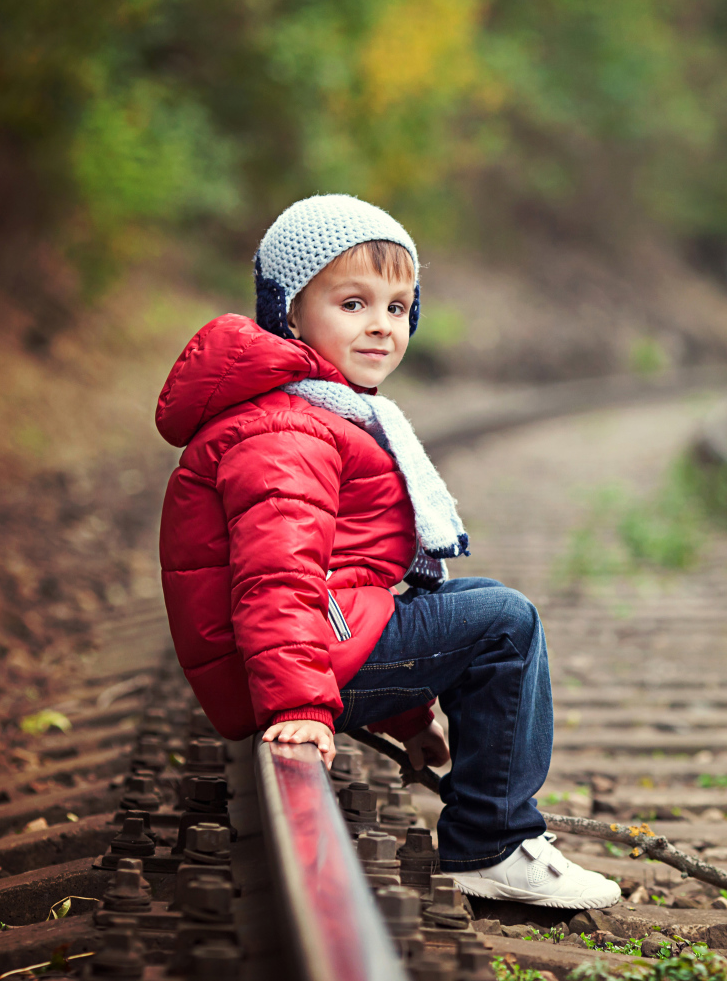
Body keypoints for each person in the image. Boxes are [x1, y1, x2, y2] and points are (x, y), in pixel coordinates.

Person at [156, 194, 619, 908]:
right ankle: (493, 842)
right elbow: (277, 580)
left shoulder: (310, 407)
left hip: (308, 642)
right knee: (505, 621)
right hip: (282, 663)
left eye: (399, 307)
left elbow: (346, 584)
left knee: (470, 603)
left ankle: (488, 824)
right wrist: (302, 705)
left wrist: (405, 713)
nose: (382, 326)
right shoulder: (289, 430)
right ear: (288, 310)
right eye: (352, 303)